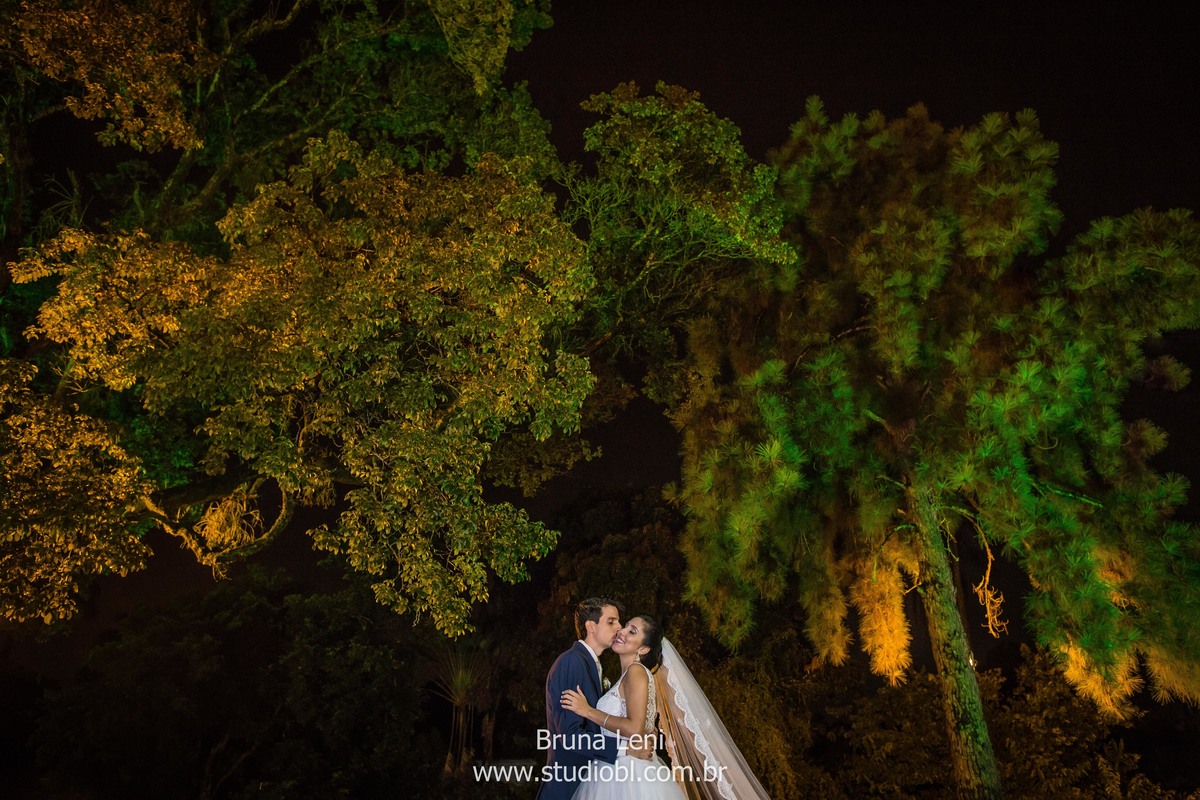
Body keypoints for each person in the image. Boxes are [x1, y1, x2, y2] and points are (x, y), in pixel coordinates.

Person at [562, 615, 771, 800]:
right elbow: (642, 726)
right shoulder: (631, 675)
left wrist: (588, 711)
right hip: (618, 766)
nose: (622, 632)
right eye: (625, 626)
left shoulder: (636, 672)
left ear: (643, 649)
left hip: (628, 774)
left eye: (632, 631)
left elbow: (634, 727)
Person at [538, 598, 626, 800]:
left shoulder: (590, 664)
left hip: (589, 783)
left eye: (619, 621)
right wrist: (625, 749)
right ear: (591, 626)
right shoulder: (571, 662)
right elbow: (570, 737)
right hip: (569, 787)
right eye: (611, 621)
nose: (619, 627)